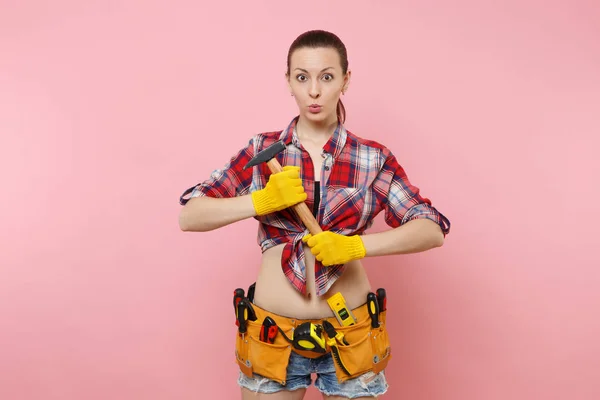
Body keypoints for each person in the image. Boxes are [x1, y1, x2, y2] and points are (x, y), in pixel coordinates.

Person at [178, 29, 450, 400]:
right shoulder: (264, 150)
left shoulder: (372, 158)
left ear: (345, 80)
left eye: (326, 76)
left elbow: (430, 229)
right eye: (302, 78)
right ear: (288, 81)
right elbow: (191, 215)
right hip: (271, 336)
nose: (314, 91)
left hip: (351, 334)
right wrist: (260, 201)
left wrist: (354, 248)